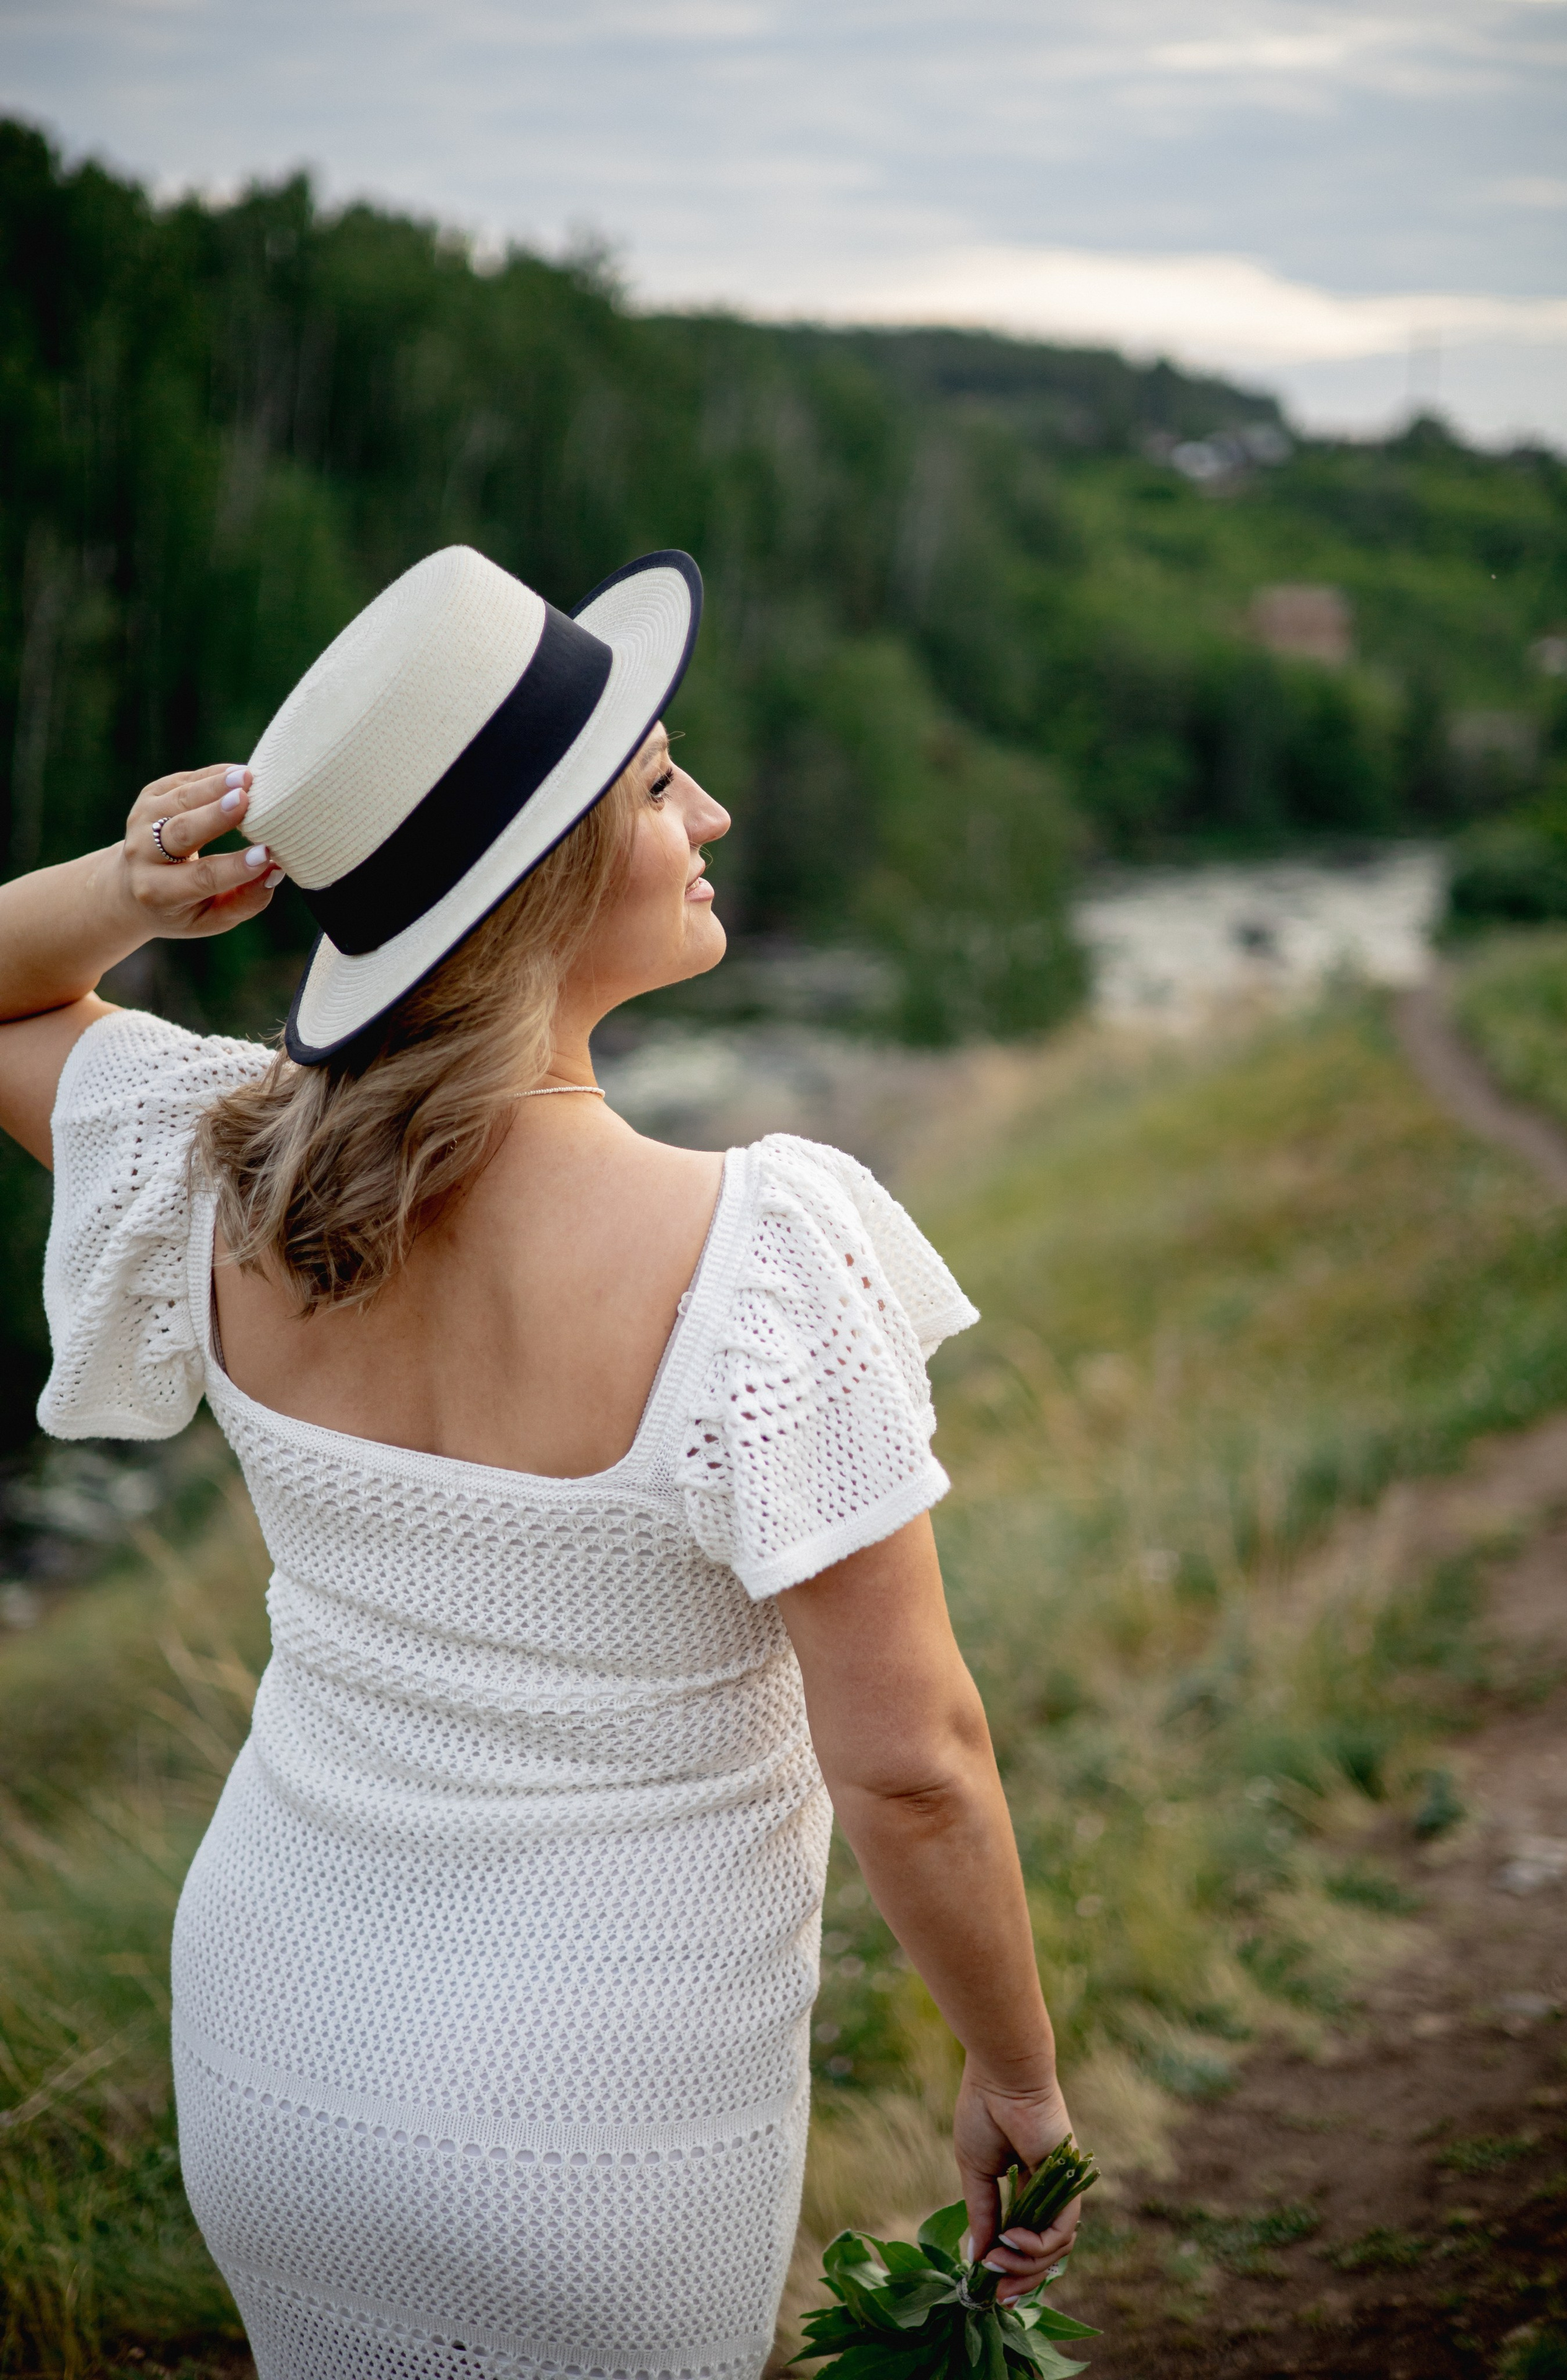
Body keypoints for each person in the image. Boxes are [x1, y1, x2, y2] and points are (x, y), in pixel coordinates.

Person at [0, 545, 1080, 2378]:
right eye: (664, 785)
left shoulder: (225, 1166)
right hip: (598, 2113)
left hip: (275, 2050)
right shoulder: (759, 1258)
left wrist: (122, 891)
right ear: (554, 868)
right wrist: (1022, 2081)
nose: (711, 808)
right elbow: (914, 1768)